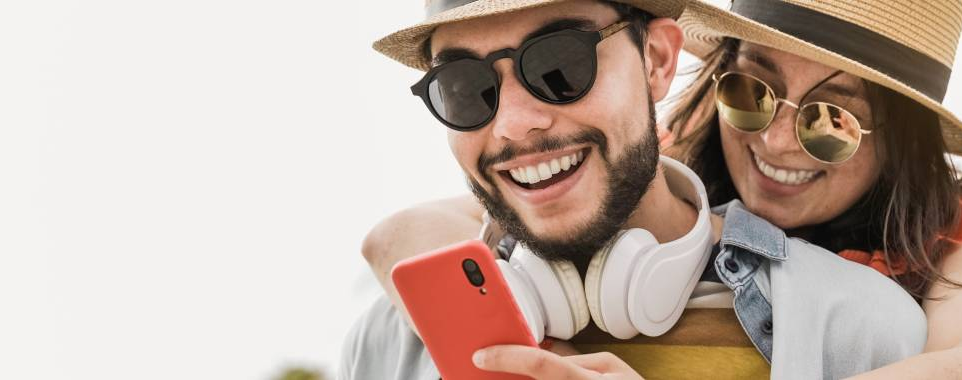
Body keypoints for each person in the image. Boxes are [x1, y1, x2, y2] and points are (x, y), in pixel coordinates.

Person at [345, 1, 931, 379]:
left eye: (557, 66)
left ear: (656, 60)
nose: (513, 125)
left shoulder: (865, 329)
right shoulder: (391, 338)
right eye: (463, 88)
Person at [659, 0, 962, 377]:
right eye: (751, 92)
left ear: (903, 140)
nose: (776, 141)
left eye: (833, 120)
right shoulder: (660, 173)